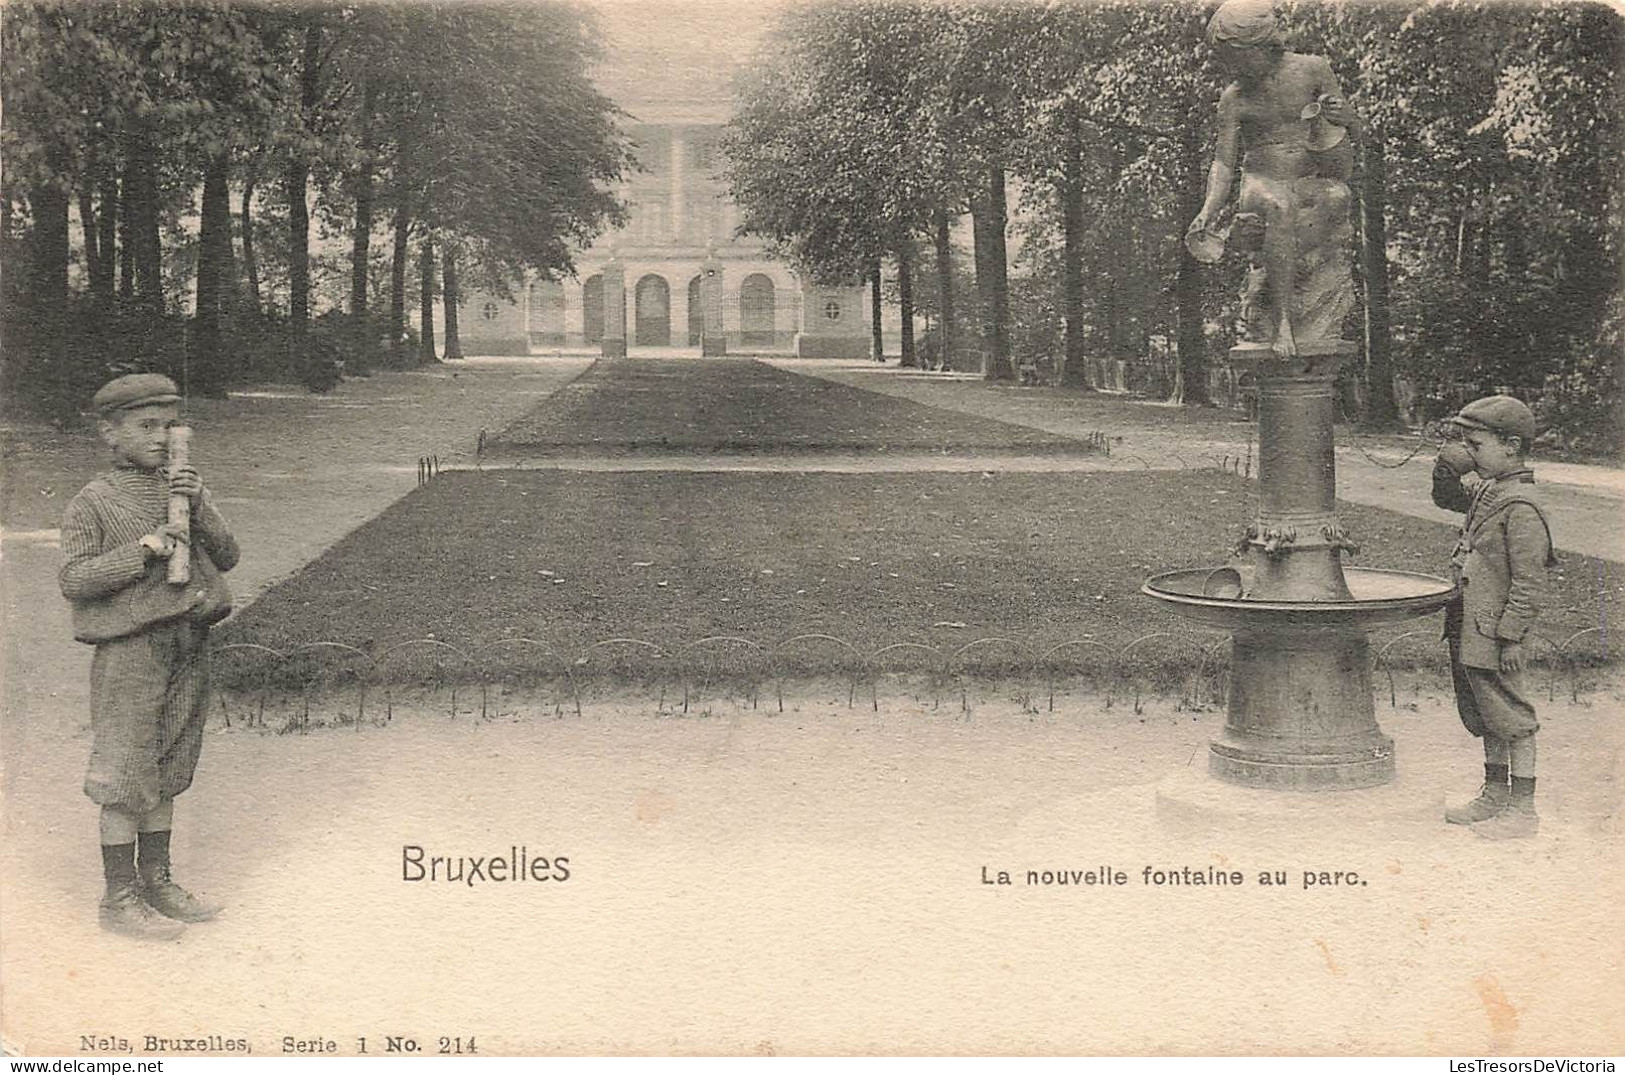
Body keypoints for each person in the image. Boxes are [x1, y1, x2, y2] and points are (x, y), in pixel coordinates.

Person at [60, 373, 240, 938]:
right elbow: (74, 579)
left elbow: (229, 556)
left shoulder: (184, 486)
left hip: (188, 641)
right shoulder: (94, 501)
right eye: (145, 427)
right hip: (131, 649)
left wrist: (198, 504)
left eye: (169, 426)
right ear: (110, 434)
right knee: (125, 769)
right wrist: (141, 551)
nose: (160, 438)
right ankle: (118, 898)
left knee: (168, 763)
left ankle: (157, 879)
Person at [1186, 0, 1357, 357]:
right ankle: (1281, 323)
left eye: (1235, 57)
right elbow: (1222, 162)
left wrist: (1349, 117)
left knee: (1337, 197)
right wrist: (1208, 210)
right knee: (1279, 206)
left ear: (1260, 45)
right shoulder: (1234, 98)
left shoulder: (1313, 70)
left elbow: (1348, 136)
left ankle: (1302, 276)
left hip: (1309, 178)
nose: (1230, 67)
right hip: (1260, 183)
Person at [1431, 395, 1555, 840]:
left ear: (1511, 445)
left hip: (1497, 632)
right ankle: (1495, 794)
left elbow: (1528, 582)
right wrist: (1448, 463)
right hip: (1473, 624)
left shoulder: (1522, 507)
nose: (1470, 451)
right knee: (1487, 713)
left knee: (1514, 718)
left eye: (1475, 443)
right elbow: (1448, 497)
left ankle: (1524, 811)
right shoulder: (1489, 489)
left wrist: (1512, 638)